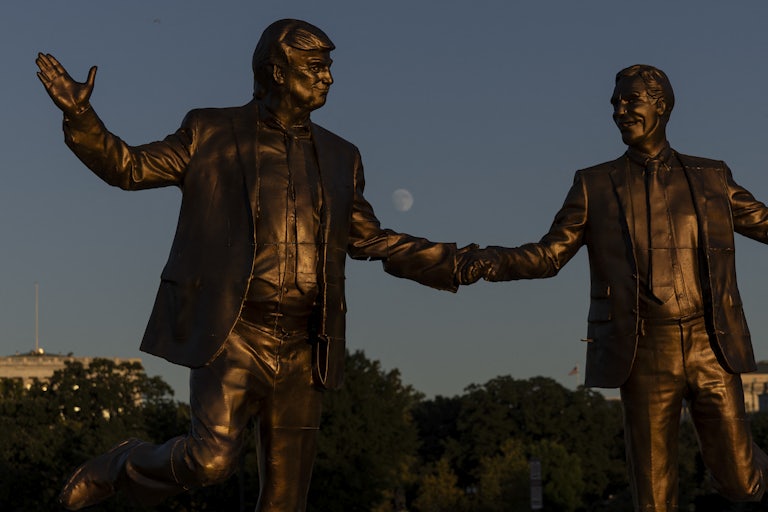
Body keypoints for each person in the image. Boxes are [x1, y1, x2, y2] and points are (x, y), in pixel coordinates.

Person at [37, 19, 478, 511]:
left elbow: (370, 239)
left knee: (287, 500)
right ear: (277, 72)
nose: (328, 78)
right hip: (233, 334)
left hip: (306, 347)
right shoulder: (210, 132)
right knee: (210, 461)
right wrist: (81, 117)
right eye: (316, 67)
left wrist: (460, 263)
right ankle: (123, 464)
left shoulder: (341, 156)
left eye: (329, 68)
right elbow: (129, 166)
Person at [471, 64, 768, 511]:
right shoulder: (593, 185)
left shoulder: (712, 177)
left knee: (742, 483)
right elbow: (549, 256)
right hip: (645, 350)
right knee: (652, 499)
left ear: (661, 105)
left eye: (631, 101)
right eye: (615, 103)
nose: (619, 111)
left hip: (713, 345)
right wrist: (481, 261)